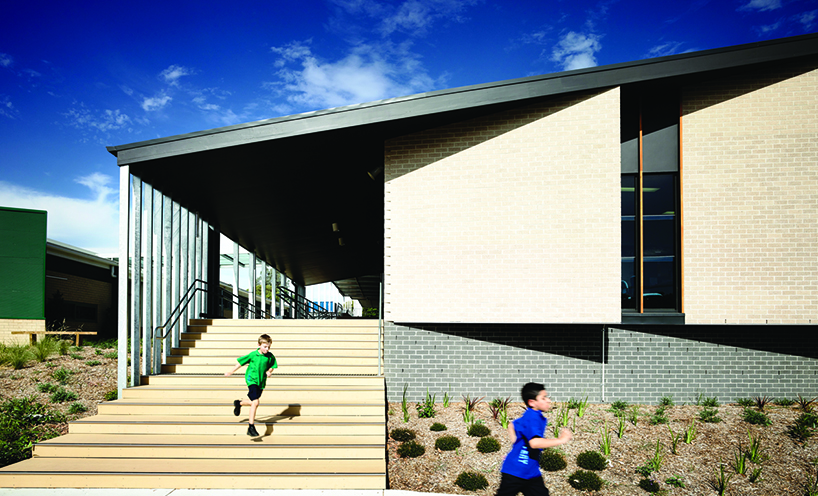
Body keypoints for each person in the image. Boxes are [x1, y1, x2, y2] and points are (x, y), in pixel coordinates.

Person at [496, 382, 573, 496]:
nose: (548, 400)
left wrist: (515, 448)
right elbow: (534, 443)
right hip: (515, 473)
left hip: (530, 473)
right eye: (543, 398)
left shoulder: (533, 416)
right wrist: (560, 440)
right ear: (532, 402)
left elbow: (512, 425)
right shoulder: (532, 417)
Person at [225, 333, 278, 436]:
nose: (267, 349)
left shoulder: (270, 356)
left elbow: (273, 366)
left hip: (261, 381)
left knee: (253, 402)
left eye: (268, 347)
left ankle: (239, 403)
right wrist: (231, 371)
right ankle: (251, 427)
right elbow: (240, 363)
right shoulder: (253, 354)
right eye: (265, 347)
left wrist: (269, 371)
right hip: (252, 380)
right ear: (259, 345)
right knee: (256, 402)